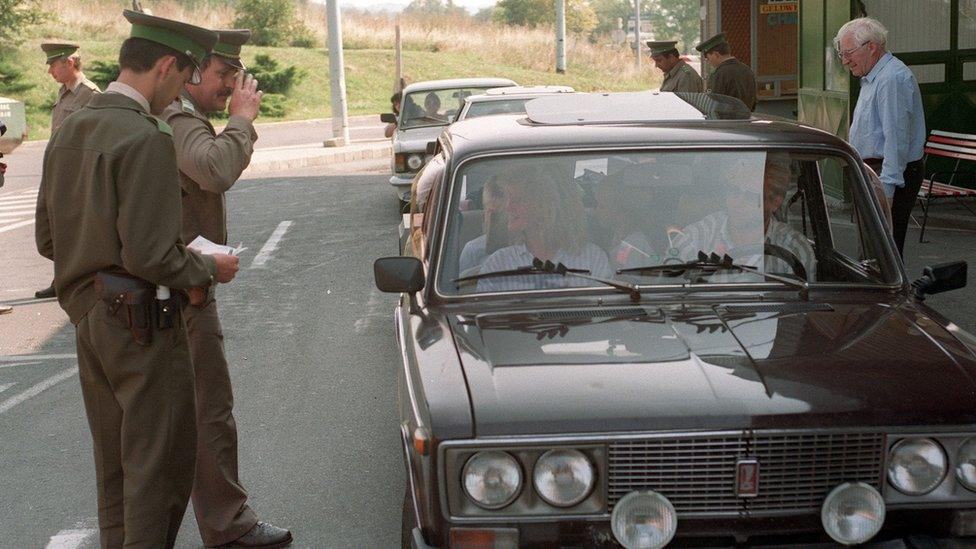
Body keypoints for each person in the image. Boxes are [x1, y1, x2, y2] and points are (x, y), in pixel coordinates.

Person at [34, 10, 241, 547]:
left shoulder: (71, 127)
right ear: (166, 65)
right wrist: (208, 267)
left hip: (91, 322)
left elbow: (47, 240)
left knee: (116, 472)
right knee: (158, 475)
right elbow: (154, 256)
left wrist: (84, 300)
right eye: (183, 77)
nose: (181, 91)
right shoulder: (147, 136)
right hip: (144, 325)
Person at [160, 29, 292, 549]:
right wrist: (241, 121)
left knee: (183, 420)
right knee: (207, 415)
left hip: (178, 286)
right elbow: (214, 170)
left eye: (237, 75)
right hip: (180, 293)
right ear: (192, 73)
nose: (233, 83)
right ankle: (227, 526)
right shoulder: (176, 118)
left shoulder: (180, 117)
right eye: (222, 74)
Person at [835, 17, 925, 256]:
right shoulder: (873, 77)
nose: (845, 61)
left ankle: (889, 294)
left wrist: (887, 192)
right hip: (874, 171)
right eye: (841, 54)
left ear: (871, 47)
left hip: (888, 173)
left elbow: (896, 141)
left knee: (884, 252)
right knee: (872, 250)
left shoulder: (891, 79)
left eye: (848, 53)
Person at [672, 153, 816, 281]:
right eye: (734, 191)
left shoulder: (795, 249)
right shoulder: (695, 239)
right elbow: (670, 294)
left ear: (774, 202)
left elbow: (802, 307)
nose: (738, 202)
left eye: (750, 196)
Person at [34, 41, 102, 300]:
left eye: (53, 65)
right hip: (57, 172)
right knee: (51, 228)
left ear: (69, 63)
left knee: (74, 226)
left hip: (77, 175)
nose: (50, 71)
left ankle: (73, 277)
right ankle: (65, 274)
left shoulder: (90, 94)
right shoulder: (65, 92)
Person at [476, 165, 611, 292]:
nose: (508, 207)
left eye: (518, 200)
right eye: (508, 199)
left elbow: (605, 313)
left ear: (546, 207)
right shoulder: (497, 265)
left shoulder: (593, 258)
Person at [593, 168, 658, 271]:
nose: (596, 211)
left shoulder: (634, 244)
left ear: (620, 209)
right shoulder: (619, 236)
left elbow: (626, 282)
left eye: (602, 206)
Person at [695, 32, 757, 111]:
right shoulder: (747, 70)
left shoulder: (719, 74)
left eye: (708, 58)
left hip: (726, 121)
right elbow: (754, 101)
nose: (708, 61)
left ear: (716, 54)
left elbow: (711, 103)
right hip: (747, 120)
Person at [459, 178, 508, 273]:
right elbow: (462, 286)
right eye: (493, 213)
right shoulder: (473, 250)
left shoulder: (530, 246)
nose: (499, 220)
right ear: (485, 214)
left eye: (503, 213)